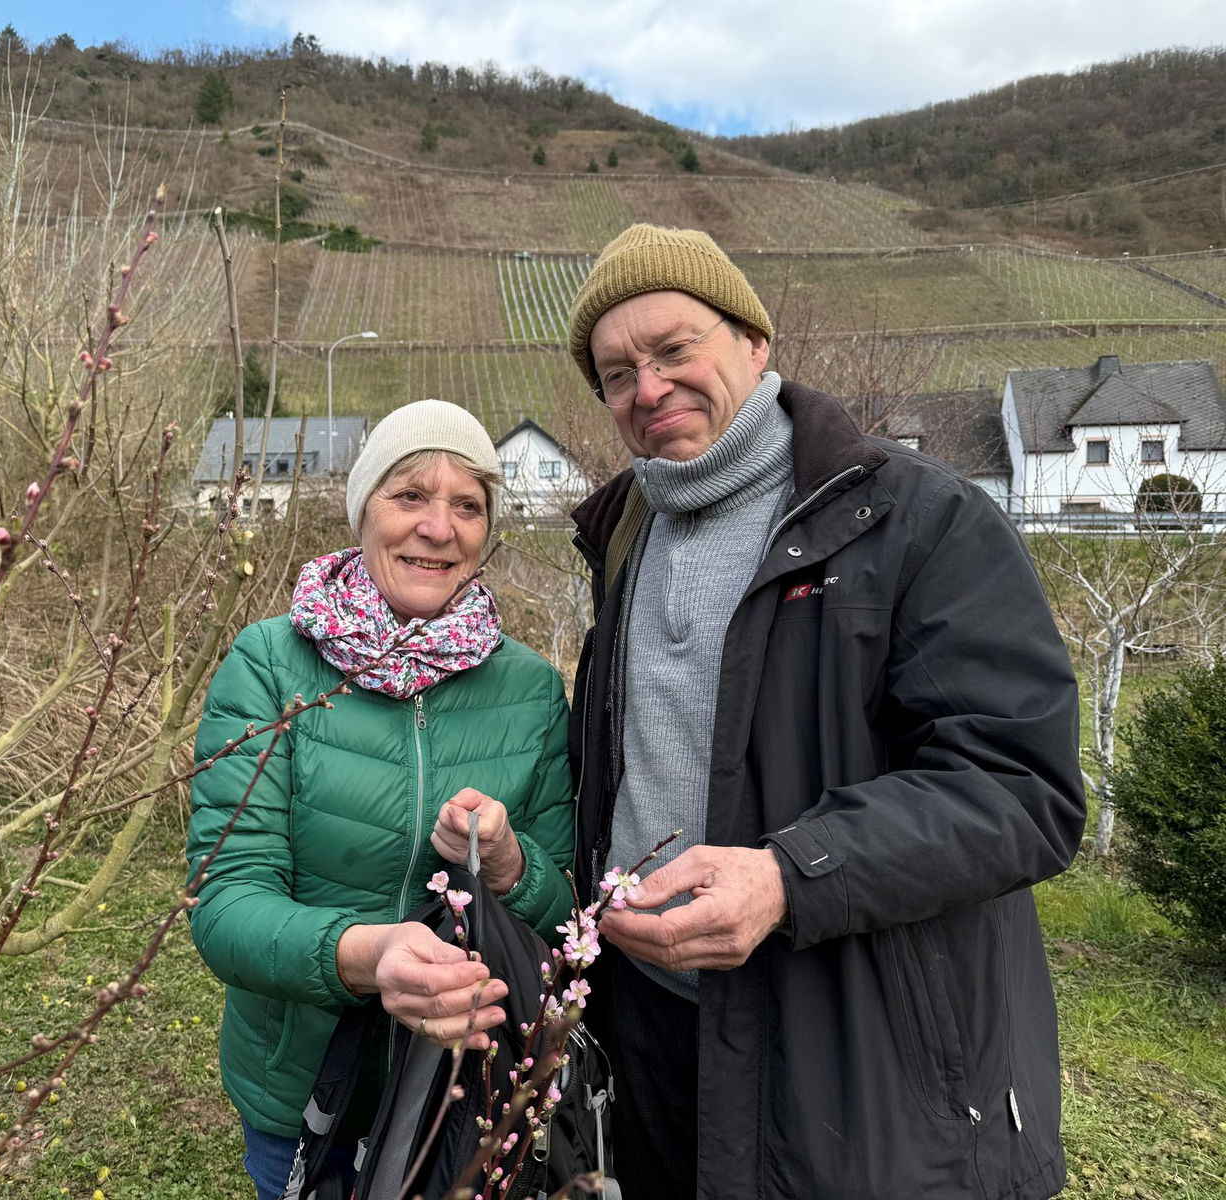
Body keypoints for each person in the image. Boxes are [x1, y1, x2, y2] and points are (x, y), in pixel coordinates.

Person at [563, 225, 1085, 1199]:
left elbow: (1021, 790)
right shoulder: (621, 536)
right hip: (655, 1029)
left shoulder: (917, 518)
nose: (648, 388)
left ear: (753, 341)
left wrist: (786, 878)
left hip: (853, 1049)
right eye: (617, 373)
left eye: (674, 350)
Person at [187, 399, 574, 1200]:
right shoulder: (271, 665)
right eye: (410, 496)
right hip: (306, 1094)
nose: (438, 528)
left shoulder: (531, 688)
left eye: (467, 505)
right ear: (363, 510)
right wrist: (368, 956)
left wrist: (513, 867)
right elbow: (225, 906)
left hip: (463, 1098)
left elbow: (565, 917)